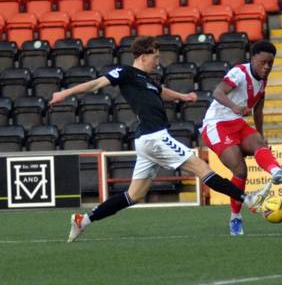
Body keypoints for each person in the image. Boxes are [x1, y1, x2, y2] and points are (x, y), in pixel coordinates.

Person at [49, 36, 270, 242]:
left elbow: (161, 91)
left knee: (133, 195)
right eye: (155, 57)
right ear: (143, 56)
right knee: (202, 168)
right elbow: (96, 83)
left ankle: (83, 220)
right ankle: (248, 199)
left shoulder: (146, 79)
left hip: (148, 140)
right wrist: (64, 94)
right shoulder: (125, 72)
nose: (158, 61)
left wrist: (183, 97)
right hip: (154, 137)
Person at [200, 40, 282, 236]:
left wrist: (261, 135)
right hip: (216, 124)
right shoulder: (239, 72)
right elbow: (217, 92)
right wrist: (235, 107)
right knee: (240, 170)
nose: (266, 67)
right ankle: (235, 218)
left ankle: (277, 173)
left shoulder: (263, 80)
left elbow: (259, 108)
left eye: (270, 64)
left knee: (258, 143)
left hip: (237, 123)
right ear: (253, 59)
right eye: (263, 62)